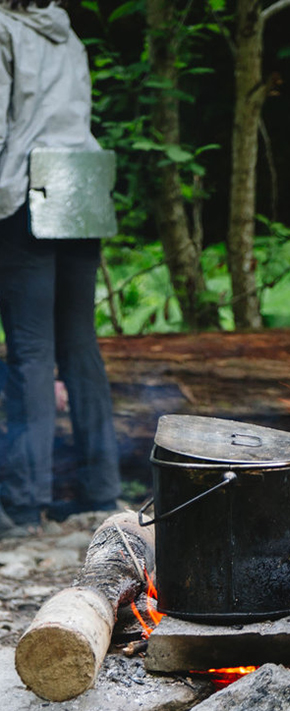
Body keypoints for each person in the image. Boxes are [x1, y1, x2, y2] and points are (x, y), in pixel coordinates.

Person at [0, 0, 121, 536]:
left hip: (26, 187)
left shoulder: (4, 30)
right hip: (82, 182)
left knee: (31, 348)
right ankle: (102, 490)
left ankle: (24, 505)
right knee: (79, 343)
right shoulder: (67, 33)